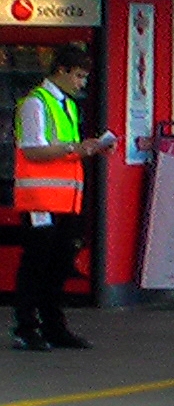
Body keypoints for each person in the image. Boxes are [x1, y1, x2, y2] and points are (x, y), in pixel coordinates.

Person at [12, 45, 112, 351]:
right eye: (79, 76)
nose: (82, 83)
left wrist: (86, 148)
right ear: (62, 71)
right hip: (40, 200)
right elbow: (32, 149)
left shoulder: (66, 105)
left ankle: (54, 326)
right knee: (36, 265)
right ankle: (26, 327)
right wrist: (75, 149)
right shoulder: (35, 104)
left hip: (66, 200)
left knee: (58, 266)